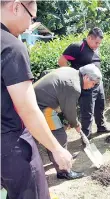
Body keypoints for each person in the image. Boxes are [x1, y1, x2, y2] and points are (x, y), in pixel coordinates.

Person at [1, 1, 72, 198]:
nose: (30, 24)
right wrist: (57, 149)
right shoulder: (11, 46)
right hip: (11, 142)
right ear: (16, 7)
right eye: (31, 16)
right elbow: (27, 108)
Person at [34, 64, 101, 180]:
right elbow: (69, 111)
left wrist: (69, 121)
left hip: (34, 100)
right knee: (59, 137)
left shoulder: (71, 71)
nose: (91, 87)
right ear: (86, 77)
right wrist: (76, 124)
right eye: (93, 83)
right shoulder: (74, 86)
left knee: (40, 136)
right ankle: (64, 171)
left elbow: (46, 72)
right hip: (40, 106)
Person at [58, 27, 110, 138]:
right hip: (86, 86)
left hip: (98, 84)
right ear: (89, 38)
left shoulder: (95, 49)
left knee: (100, 106)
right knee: (87, 112)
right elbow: (61, 61)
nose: (98, 45)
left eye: (99, 43)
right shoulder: (77, 47)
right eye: (96, 42)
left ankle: (101, 127)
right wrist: (75, 77)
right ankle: (86, 136)